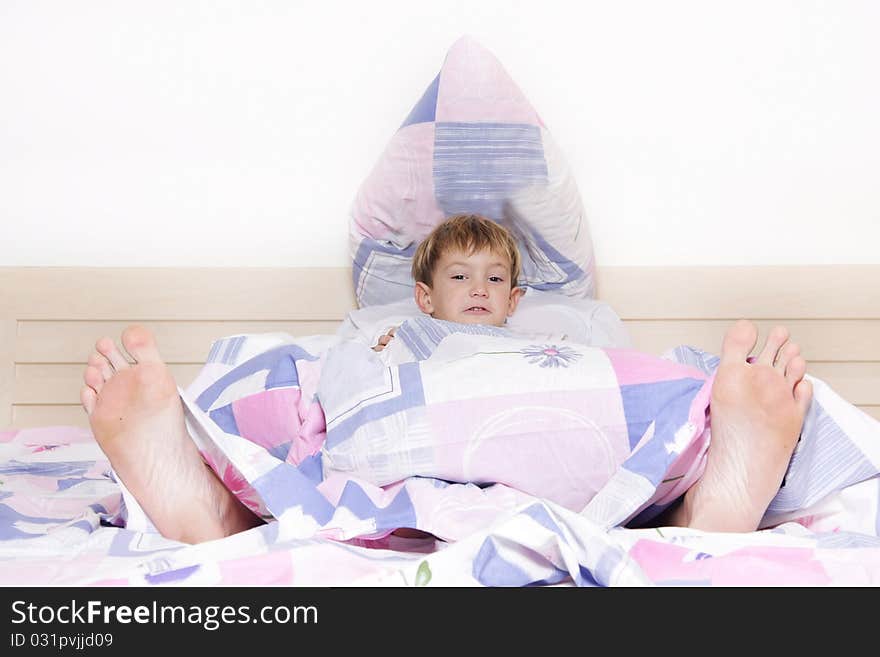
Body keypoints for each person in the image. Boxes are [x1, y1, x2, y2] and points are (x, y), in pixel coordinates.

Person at [80, 214, 813, 543]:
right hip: (417, 460)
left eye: (497, 278)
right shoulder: (391, 334)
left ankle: (713, 501)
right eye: (460, 275)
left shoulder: (554, 341)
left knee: (662, 407)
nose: (479, 288)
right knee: (318, 440)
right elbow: (346, 388)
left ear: (517, 301)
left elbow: (600, 382)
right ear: (425, 295)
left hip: (546, 449)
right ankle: (208, 504)